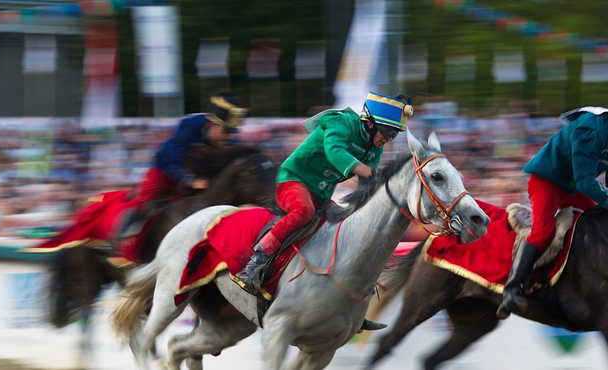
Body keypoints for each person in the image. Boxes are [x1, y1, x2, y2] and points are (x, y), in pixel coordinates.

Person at [236, 91, 413, 331]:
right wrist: (371, 173)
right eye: (389, 131)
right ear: (370, 123)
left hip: (321, 195)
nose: (391, 138)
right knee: (303, 213)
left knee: (349, 230)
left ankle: (353, 305)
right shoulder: (341, 122)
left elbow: (367, 188)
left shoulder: (374, 146)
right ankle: (255, 263)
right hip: (293, 182)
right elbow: (335, 152)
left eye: (396, 133)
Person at [496, 78, 608, 319]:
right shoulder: (592, 130)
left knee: (599, 223)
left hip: (574, 186)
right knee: (543, 232)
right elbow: (586, 181)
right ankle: (512, 290)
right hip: (548, 181)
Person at [116, 93, 248, 260]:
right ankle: (124, 245)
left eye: (231, 133)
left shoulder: (232, 143)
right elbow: (170, 159)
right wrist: (189, 181)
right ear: (212, 124)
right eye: (225, 132)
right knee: (145, 201)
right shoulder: (190, 126)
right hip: (167, 172)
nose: (228, 138)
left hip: (200, 177)